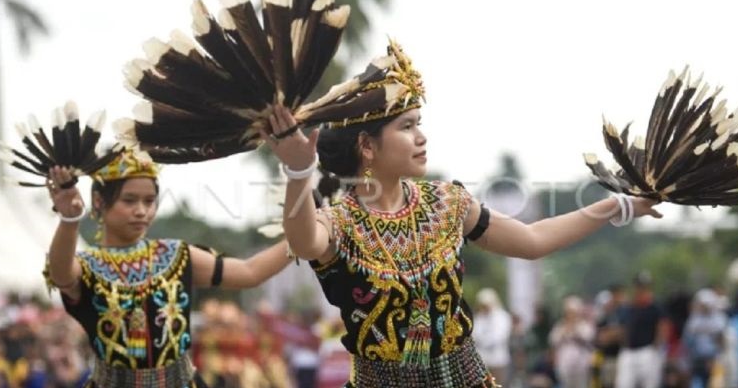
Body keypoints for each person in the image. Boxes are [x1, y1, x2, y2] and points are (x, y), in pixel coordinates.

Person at [261, 39, 662, 387]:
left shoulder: (448, 204)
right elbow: (302, 241)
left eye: (419, 124)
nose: (422, 137)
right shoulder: (339, 223)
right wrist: (299, 171)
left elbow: (533, 240)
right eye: (407, 127)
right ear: (367, 146)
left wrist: (618, 204)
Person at [43, 149, 292, 387]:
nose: (142, 211)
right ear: (98, 202)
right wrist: (69, 220)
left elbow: (250, 272)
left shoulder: (175, 255)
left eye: (149, 201)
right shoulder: (87, 265)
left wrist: (303, 237)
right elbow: (61, 273)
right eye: (129, 200)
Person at [472, 288, 512, 384]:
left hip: (498, 361)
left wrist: (485, 341)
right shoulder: (478, 317)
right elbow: (474, 335)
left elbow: (500, 336)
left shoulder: (502, 316)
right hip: (482, 361)